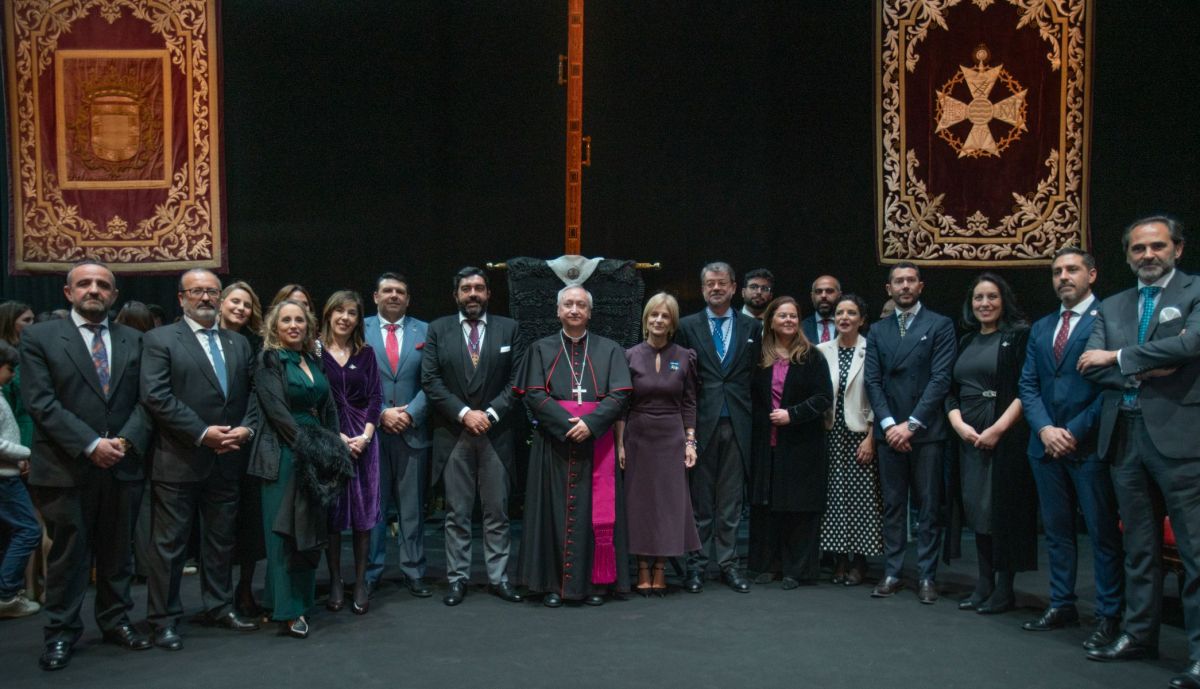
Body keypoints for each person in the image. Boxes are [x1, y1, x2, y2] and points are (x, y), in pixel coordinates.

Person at [1078, 215, 1200, 689]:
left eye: (1158, 246)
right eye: (1138, 249)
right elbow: (1090, 365)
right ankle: (1138, 635)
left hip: (1179, 436)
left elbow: (1191, 345)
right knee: (1139, 548)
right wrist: (1155, 363)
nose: (1148, 255)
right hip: (1124, 435)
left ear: (1178, 249)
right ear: (1128, 255)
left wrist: (1121, 357)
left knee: (1194, 550)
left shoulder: (1195, 292)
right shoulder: (1112, 305)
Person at [20, 261, 154, 670]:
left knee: (118, 554)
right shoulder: (40, 337)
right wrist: (91, 444)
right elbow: (41, 402)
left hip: (122, 463)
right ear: (68, 292)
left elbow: (147, 400)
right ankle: (60, 633)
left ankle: (116, 622)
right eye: (84, 284)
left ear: (114, 295)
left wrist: (123, 442)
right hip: (66, 468)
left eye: (102, 285)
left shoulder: (135, 339)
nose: (94, 290)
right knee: (69, 557)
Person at [140, 269, 260, 651]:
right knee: (170, 546)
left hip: (228, 458)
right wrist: (203, 433)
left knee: (220, 542)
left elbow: (253, 394)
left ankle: (219, 607)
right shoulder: (160, 339)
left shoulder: (238, 343)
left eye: (212, 291)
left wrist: (246, 429)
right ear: (181, 298)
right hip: (180, 459)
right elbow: (156, 396)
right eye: (197, 292)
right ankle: (163, 620)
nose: (206, 298)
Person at [1017, 248, 1122, 646]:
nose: (1063, 277)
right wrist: (1045, 429)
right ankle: (1061, 604)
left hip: (1089, 445)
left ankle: (1109, 616)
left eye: (1072, 269)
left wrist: (1072, 431)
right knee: (1057, 532)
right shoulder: (1043, 326)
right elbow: (1028, 385)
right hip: (1044, 446)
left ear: (1091, 275)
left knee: (1101, 534)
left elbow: (1110, 387)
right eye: (1057, 271)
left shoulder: (1109, 320)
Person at [517, 286, 632, 607]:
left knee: (595, 514)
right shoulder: (540, 348)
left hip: (598, 443)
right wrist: (567, 425)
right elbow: (533, 394)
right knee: (551, 513)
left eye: (581, 304)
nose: (574, 309)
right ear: (557, 311)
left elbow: (620, 394)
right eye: (568, 304)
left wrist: (591, 424)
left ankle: (597, 584)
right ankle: (552, 585)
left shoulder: (610, 349)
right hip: (554, 442)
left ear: (590, 312)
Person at [421, 267, 524, 606]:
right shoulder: (438, 329)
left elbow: (517, 380)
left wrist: (489, 414)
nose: (473, 294)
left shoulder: (509, 328)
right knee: (457, 513)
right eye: (466, 289)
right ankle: (457, 579)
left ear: (489, 293)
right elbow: (431, 380)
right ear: (456, 295)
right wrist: (465, 413)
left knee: (497, 512)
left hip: (497, 433)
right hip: (454, 433)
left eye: (479, 288)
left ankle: (499, 577)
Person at [247, 300, 348, 638]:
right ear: (274, 326)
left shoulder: (311, 360)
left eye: (299, 320)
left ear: (308, 326)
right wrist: (311, 449)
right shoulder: (268, 360)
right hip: (284, 454)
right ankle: (288, 611)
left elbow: (328, 405)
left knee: (308, 532)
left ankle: (295, 601)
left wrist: (333, 448)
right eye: (286, 320)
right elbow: (277, 413)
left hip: (314, 450)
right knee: (284, 534)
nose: (293, 325)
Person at [863, 261, 956, 604]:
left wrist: (912, 424)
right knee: (893, 505)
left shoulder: (940, 324)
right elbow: (873, 381)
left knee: (928, 506)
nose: (904, 286)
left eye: (910, 280)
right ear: (889, 289)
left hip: (925, 430)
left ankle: (927, 575)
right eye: (898, 281)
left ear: (920, 286)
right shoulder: (878, 330)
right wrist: (889, 425)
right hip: (890, 431)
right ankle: (892, 571)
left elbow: (940, 379)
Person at [945, 273, 1034, 615]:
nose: (985, 304)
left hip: (1005, 436)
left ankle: (1005, 588)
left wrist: (997, 429)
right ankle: (984, 583)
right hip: (968, 438)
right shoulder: (966, 340)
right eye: (978, 298)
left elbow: (1028, 388)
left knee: (1002, 512)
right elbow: (950, 391)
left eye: (992, 297)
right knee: (977, 511)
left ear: (1003, 300)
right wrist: (958, 424)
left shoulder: (1018, 336)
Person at [674, 262, 760, 593]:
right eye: (710, 283)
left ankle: (728, 564)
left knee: (730, 503)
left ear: (734, 287)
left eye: (722, 283)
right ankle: (696, 566)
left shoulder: (751, 327)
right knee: (700, 503)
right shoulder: (687, 326)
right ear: (702, 289)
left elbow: (753, 375)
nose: (716, 288)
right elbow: (682, 377)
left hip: (738, 422)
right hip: (700, 424)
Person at [614, 292, 701, 596]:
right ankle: (641, 567)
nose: (659, 320)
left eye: (665, 316)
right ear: (646, 319)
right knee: (639, 504)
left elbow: (689, 402)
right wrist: (620, 444)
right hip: (637, 436)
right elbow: (621, 405)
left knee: (668, 504)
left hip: (671, 438)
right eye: (654, 314)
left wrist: (690, 442)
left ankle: (661, 568)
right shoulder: (629, 356)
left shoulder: (685, 356)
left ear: (673, 322)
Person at [747, 297, 832, 588]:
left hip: (802, 444)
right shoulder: (758, 356)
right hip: (766, 444)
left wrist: (792, 414)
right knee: (767, 507)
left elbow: (824, 398)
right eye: (782, 315)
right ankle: (768, 565)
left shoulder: (812, 356)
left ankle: (797, 570)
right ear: (770, 321)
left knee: (798, 508)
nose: (788, 320)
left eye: (793, 316)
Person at [363, 272, 431, 597]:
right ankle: (370, 571)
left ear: (408, 299)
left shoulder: (426, 331)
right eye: (387, 290)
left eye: (400, 291)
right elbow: (350, 382)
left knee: (412, 508)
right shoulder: (358, 329)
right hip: (371, 433)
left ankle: (414, 570)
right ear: (375, 296)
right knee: (373, 507)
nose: (394, 295)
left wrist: (410, 413)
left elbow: (434, 380)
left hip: (412, 430)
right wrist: (380, 414)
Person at [319, 290, 382, 614]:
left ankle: (359, 582)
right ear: (329, 313)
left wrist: (366, 436)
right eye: (339, 311)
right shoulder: (314, 351)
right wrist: (337, 436)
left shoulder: (366, 353)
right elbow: (315, 400)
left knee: (363, 515)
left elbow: (375, 397)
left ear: (359, 319)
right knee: (332, 514)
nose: (345, 317)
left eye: (352, 313)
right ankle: (334, 580)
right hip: (329, 440)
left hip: (364, 442)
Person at [817, 294, 883, 587]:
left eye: (851, 313)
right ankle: (839, 558)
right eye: (840, 313)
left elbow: (879, 395)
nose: (844, 318)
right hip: (830, 435)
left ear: (862, 319)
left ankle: (860, 561)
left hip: (860, 434)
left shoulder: (872, 349)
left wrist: (872, 436)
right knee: (834, 498)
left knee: (863, 500)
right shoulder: (821, 351)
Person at [217, 281, 267, 616]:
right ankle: (218, 599)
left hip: (247, 444)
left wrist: (246, 429)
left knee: (249, 525)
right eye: (235, 301)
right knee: (218, 529)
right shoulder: (198, 338)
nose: (240, 309)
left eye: (247, 305)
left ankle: (245, 589)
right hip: (208, 442)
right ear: (221, 302)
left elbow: (256, 393)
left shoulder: (255, 344)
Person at [0, 341, 39, 619]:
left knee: (12, 533)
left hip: (8, 472)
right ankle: (6, 594)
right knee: (29, 530)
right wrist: (26, 453)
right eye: (9, 368)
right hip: (5, 478)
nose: (12, 374)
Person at [803, 276, 843, 345]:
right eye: (818, 292)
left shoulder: (850, 325)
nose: (823, 295)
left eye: (829, 291)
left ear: (839, 295)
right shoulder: (801, 328)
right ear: (812, 296)